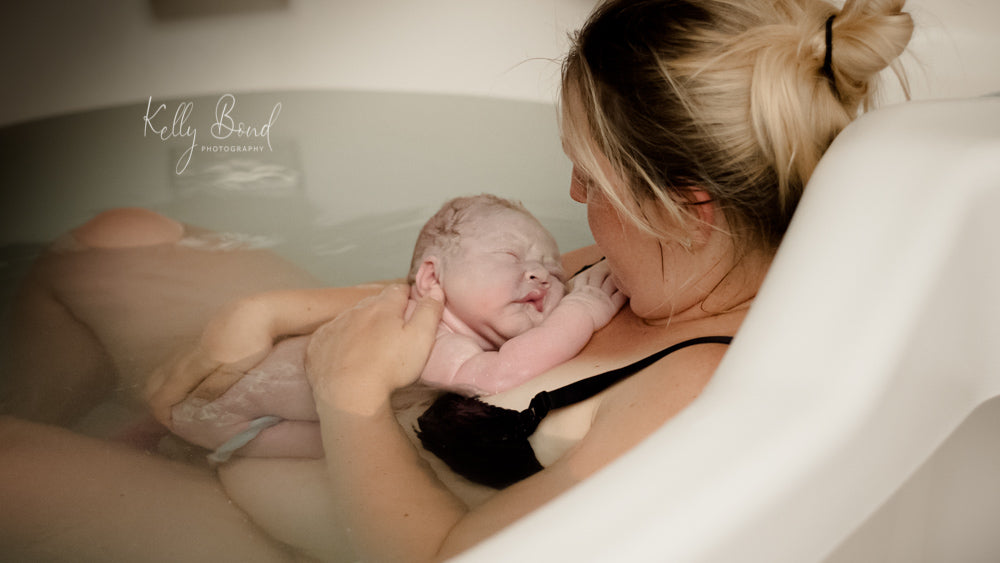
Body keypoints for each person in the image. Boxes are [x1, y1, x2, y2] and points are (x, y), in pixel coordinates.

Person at [0, 0, 913, 561]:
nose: (569, 196)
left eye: (591, 180)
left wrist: (350, 394)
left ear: (691, 205)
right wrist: (262, 310)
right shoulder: (646, 268)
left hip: (296, 532)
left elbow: (451, 556)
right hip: (296, 432)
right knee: (114, 239)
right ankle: (76, 431)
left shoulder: (689, 382)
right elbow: (460, 303)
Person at [167, 194, 624, 462]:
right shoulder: (431, 336)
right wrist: (581, 308)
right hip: (234, 415)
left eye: (554, 271)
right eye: (511, 258)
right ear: (431, 279)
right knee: (319, 448)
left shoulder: (443, 316)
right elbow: (497, 375)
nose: (541, 274)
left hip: (269, 400)